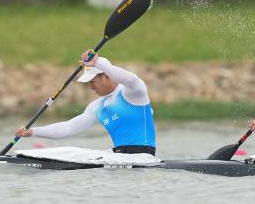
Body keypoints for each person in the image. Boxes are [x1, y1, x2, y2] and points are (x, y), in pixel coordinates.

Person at [15, 50, 156, 155]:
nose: (91, 87)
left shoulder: (133, 93)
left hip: (143, 157)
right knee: (69, 151)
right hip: (118, 157)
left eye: (93, 81)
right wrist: (33, 132)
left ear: (107, 76)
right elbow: (69, 127)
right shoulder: (97, 106)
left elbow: (132, 79)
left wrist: (98, 62)